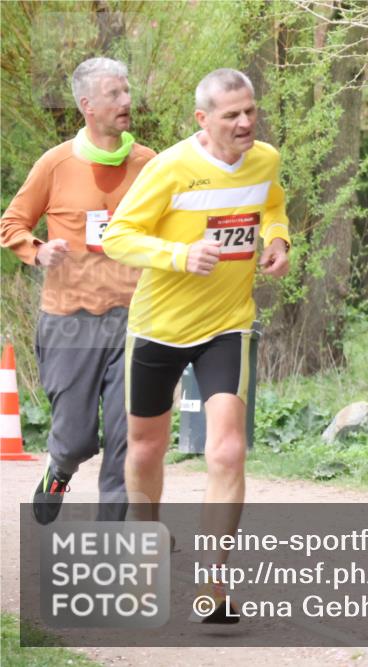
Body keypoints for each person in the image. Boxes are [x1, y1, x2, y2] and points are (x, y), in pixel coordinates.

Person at [102, 68, 290, 623]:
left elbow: (273, 206)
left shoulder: (266, 160)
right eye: (231, 114)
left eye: (250, 110)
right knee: (145, 450)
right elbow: (118, 236)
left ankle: (215, 582)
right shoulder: (170, 168)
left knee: (228, 450)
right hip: (158, 326)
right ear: (202, 120)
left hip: (226, 325)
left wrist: (278, 239)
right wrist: (181, 256)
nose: (245, 122)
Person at [0, 57, 156, 525]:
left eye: (127, 91)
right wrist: (37, 250)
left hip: (133, 317)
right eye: (114, 94)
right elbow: (12, 222)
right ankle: (59, 468)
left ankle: (112, 536)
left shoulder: (149, 163)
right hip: (70, 319)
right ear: (87, 105)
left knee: (127, 433)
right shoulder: (57, 163)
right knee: (76, 436)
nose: (127, 101)